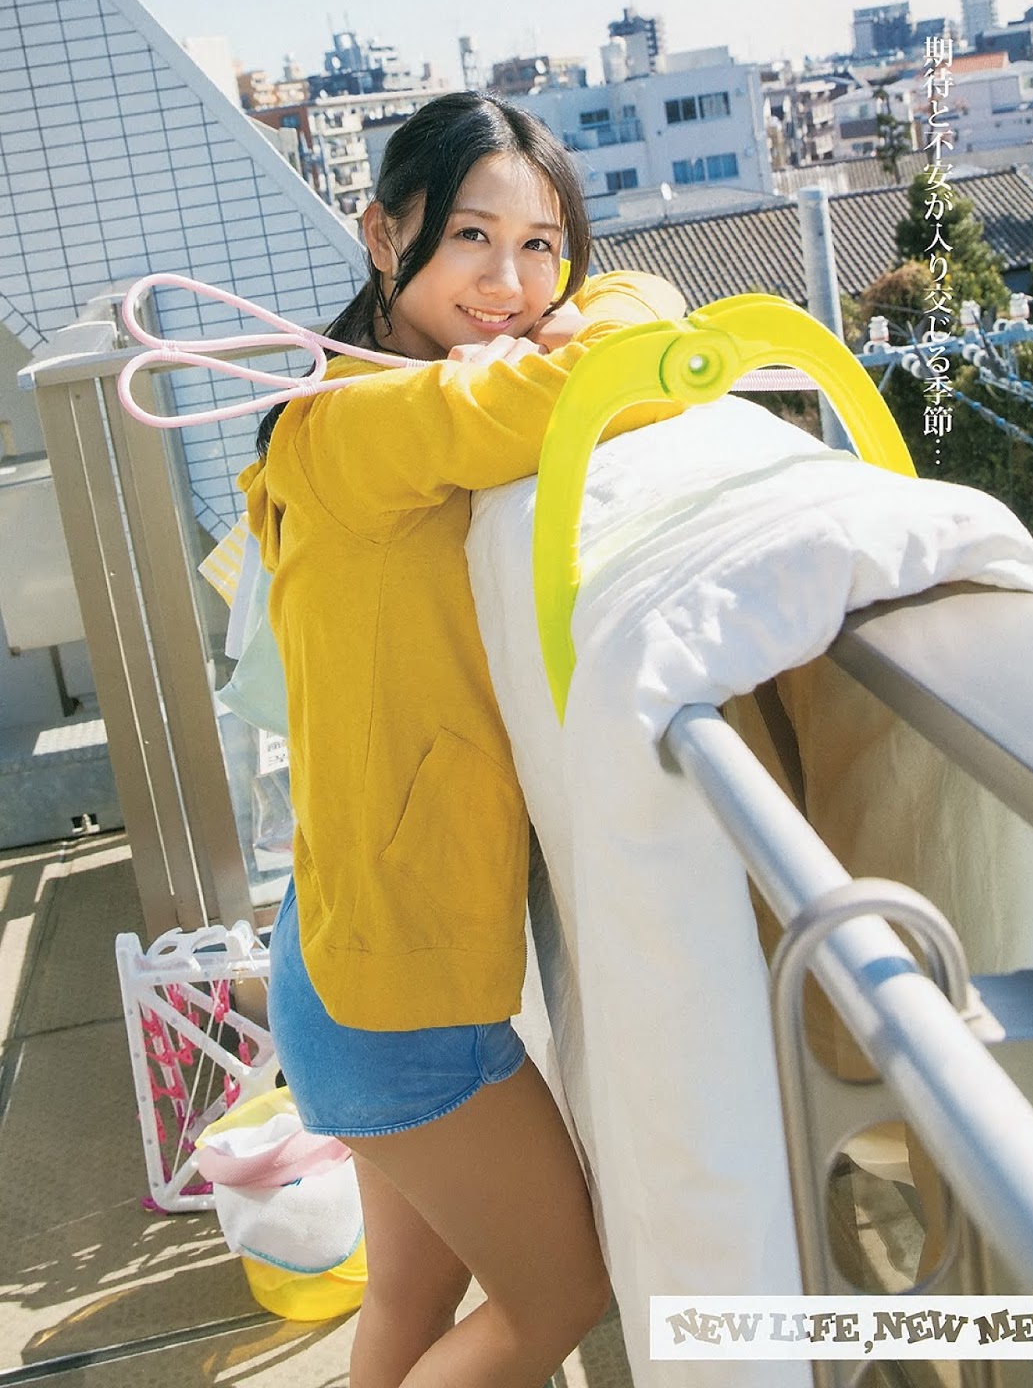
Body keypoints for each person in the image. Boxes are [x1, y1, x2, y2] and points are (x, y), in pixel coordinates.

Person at [240, 90, 686, 1388]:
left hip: (352, 953)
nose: (510, 284)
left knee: (408, 1303)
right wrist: (594, 324)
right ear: (384, 234)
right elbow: (603, 384)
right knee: (561, 1298)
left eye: (542, 246)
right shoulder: (346, 426)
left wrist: (591, 305)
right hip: (394, 995)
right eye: (471, 239)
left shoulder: (376, 394)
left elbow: (614, 320)